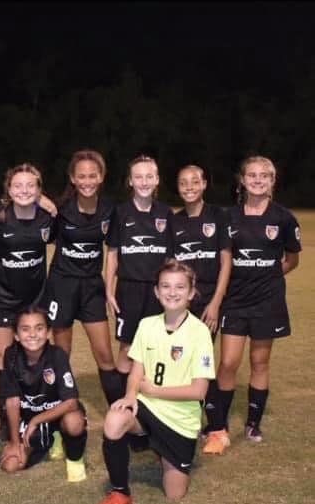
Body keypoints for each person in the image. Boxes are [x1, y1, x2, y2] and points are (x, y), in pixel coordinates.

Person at [93, 260, 214, 504]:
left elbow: (199, 391)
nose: (173, 292)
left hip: (179, 422)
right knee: (115, 419)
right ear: (157, 292)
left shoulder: (200, 332)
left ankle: (162, 450)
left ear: (192, 292)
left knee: (174, 495)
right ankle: (120, 493)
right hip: (147, 409)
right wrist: (130, 395)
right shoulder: (147, 325)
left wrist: (155, 390)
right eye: (166, 286)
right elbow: (137, 370)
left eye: (180, 287)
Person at [202, 156, 301, 454]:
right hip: (234, 301)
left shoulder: (283, 218)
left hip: (267, 302)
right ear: (242, 180)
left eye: (264, 176)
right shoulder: (228, 216)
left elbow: (292, 260)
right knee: (229, 362)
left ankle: (253, 423)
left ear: (273, 181)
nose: (258, 180)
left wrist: (269, 275)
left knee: (259, 362)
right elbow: (223, 260)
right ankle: (218, 424)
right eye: (252, 175)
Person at [40, 150, 124, 408]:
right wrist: (39, 199)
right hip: (62, 285)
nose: (87, 181)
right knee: (62, 356)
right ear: (73, 179)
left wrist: (110, 288)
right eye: (81, 176)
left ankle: (120, 413)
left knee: (105, 355)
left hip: (91, 288)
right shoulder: (60, 209)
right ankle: (61, 415)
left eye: (92, 175)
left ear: (101, 177)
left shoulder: (110, 210)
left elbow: (113, 251)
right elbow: (21, 201)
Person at [106, 155, 174, 393]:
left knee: (156, 347)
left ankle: (151, 402)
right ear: (130, 182)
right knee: (127, 347)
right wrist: (108, 290)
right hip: (128, 289)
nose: (144, 181)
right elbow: (113, 254)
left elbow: (171, 258)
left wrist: (171, 291)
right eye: (138, 177)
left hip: (158, 292)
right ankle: (121, 403)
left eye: (149, 176)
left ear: (157, 180)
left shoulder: (166, 214)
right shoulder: (121, 213)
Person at [0, 306, 88, 482]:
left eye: (39, 328)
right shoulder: (11, 355)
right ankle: (51, 438)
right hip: (29, 416)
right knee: (11, 465)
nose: (32, 334)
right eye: (25, 329)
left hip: (58, 412)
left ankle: (74, 458)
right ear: (16, 335)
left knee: (74, 422)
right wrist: (15, 442)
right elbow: (12, 400)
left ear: (48, 332)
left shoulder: (57, 355)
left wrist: (36, 420)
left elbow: (71, 402)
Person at [0, 163, 55, 367]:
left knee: (34, 354)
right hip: (2, 298)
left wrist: (43, 201)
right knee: (3, 356)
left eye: (30, 186)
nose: (24, 190)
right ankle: (3, 399)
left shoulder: (48, 217)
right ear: (9, 189)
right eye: (18, 186)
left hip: (35, 299)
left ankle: (34, 398)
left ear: (39, 189)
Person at [172, 164, 232, 336]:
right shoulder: (174, 221)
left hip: (209, 301)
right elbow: (171, 264)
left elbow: (226, 261)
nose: (189, 187)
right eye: (183, 183)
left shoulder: (219, 216)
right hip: (182, 300)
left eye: (195, 182)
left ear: (204, 184)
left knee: (202, 357)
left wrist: (216, 303)